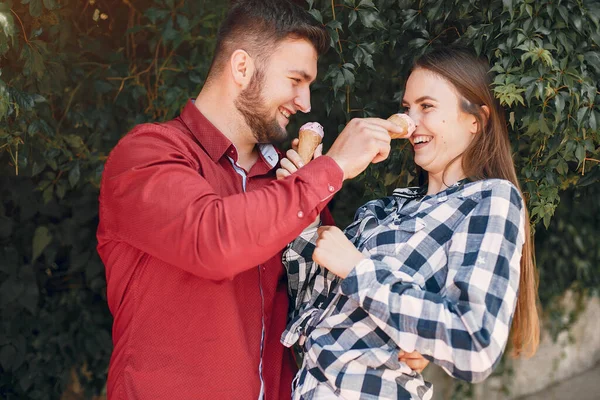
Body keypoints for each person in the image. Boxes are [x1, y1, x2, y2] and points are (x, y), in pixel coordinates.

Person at [96, 0, 408, 399]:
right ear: (242, 67)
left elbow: (324, 298)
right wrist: (334, 168)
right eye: (296, 79)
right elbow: (214, 240)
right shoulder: (147, 154)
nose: (305, 102)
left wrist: (396, 339)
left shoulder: (291, 179)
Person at [276, 47, 540, 399]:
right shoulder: (382, 211)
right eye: (406, 108)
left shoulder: (489, 199)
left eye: (426, 106)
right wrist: (300, 199)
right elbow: (306, 308)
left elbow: (476, 344)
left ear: (476, 120)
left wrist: (358, 269)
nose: (411, 121)